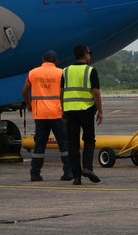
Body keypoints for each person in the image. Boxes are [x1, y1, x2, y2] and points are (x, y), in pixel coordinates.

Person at [22, 50, 72, 182]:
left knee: (39, 145)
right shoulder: (61, 73)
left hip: (40, 114)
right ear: (56, 61)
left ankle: (35, 173)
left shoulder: (33, 73)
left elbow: (24, 91)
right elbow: (64, 92)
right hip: (57, 113)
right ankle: (68, 171)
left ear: (43, 60)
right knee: (63, 143)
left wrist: (29, 104)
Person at [62, 43, 103, 185]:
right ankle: (87, 168)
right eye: (89, 53)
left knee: (72, 144)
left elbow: (61, 92)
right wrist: (100, 111)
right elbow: (96, 93)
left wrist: (63, 110)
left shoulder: (65, 71)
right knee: (89, 140)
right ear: (85, 54)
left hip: (70, 111)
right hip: (86, 110)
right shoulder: (91, 71)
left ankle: (77, 177)